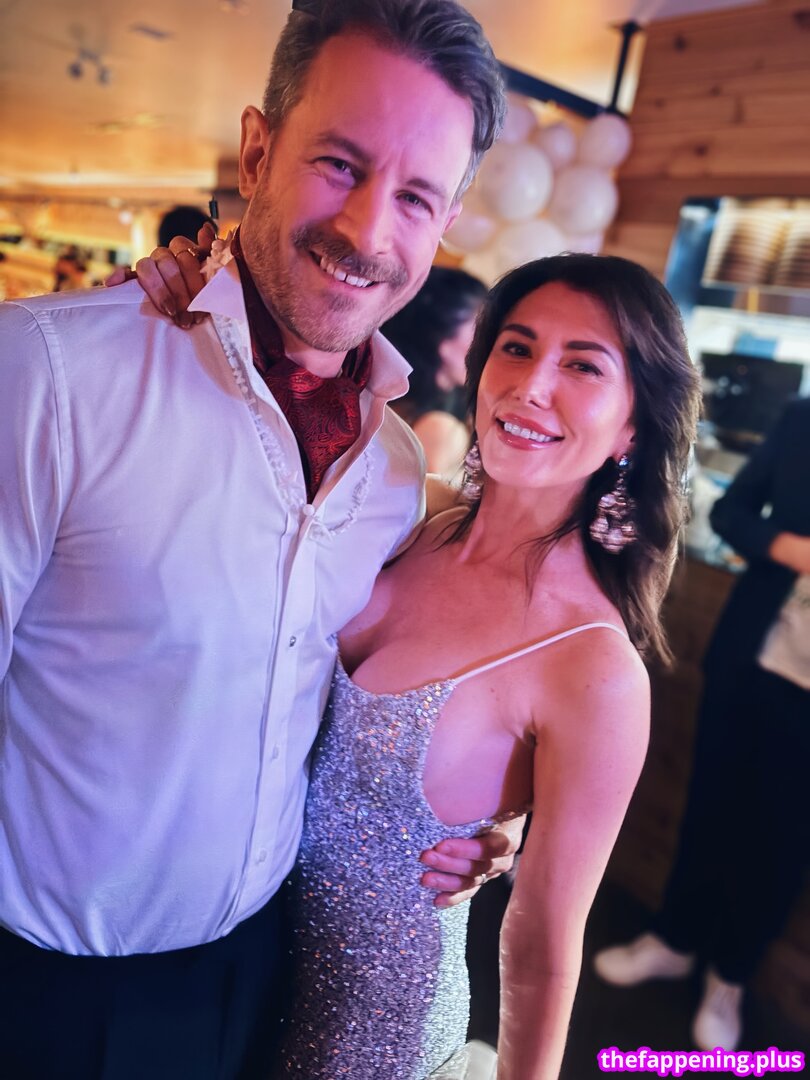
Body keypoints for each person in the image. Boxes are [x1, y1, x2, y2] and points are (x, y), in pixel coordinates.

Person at [0, 4, 517, 1079]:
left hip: (267, 973)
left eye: (416, 197)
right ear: (256, 151)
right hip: (50, 992)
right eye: (339, 163)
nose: (369, 230)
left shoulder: (394, 472)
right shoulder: (49, 376)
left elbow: (347, 706)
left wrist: (474, 818)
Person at [140, 249, 701, 1077]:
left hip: (368, 1035)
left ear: (633, 425)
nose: (530, 385)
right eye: (516, 347)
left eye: (582, 365)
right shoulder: (406, 509)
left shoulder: (593, 665)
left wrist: (501, 828)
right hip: (222, 967)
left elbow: (543, 946)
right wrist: (168, 310)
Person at [593, 396, 810, 1052]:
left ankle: (729, 979)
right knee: (709, 807)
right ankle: (673, 940)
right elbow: (731, 513)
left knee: (782, 846)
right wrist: (791, 548)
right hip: (752, 656)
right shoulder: (801, 418)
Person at [382, 265, 486, 476]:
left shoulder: (390, 399)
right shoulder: (439, 428)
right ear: (442, 340)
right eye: (480, 333)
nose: (488, 347)